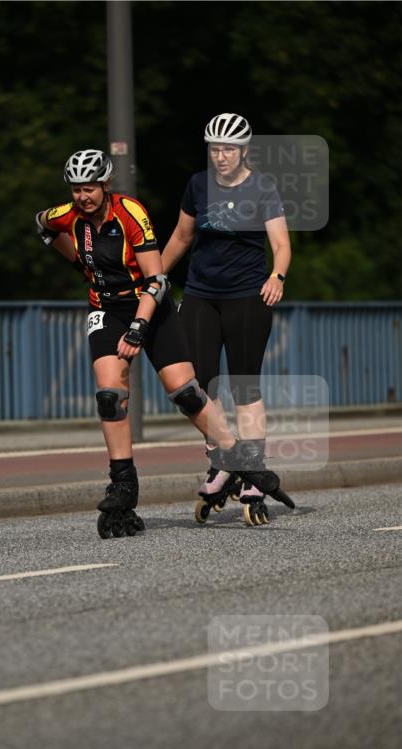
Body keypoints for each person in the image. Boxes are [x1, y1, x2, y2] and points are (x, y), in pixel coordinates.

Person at [35, 147, 245, 537]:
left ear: (106, 184)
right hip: (106, 308)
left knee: (184, 392)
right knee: (109, 395)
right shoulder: (68, 215)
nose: (83, 196)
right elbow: (43, 225)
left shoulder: (130, 213)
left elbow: (157, 279)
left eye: (90, 188)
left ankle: (236, 457)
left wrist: (137, 330)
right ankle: (123, 485)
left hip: (151, 304)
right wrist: (81, 264)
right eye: (76, 189)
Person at [161, 113, 294, 525]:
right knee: (197, 388)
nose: (220, 156)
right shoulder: (197, 185)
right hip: (200, 294)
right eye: (214, 149)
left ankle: (252, 476)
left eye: (228, 149)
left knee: (243, 386)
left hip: (246, 297)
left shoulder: (262, 187)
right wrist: (154, 278)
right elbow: (182, 237)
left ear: (244, 150)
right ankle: (222, 462)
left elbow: (281, 243)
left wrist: (278, 275)